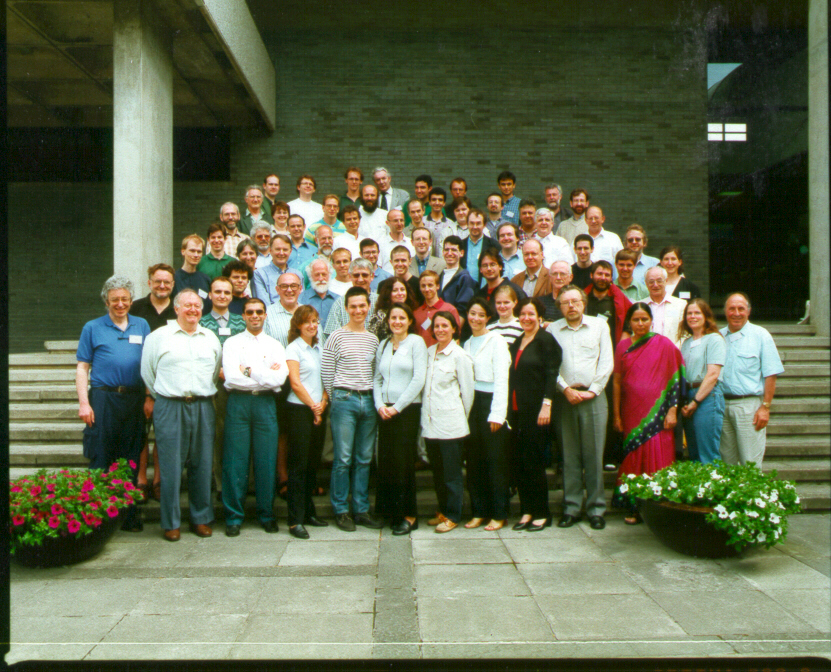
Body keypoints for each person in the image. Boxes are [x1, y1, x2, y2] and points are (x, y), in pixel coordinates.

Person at [141, 289, 222, 541]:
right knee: (170, 466)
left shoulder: (210, 337)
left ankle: (200, 518)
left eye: (197, 306)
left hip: (203, 405)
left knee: (202, 464)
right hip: (169, 405)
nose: (192, 310)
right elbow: (148, 372)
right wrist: (164, 395)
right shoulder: (158, 337)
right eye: (187, 305)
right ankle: (171, 522)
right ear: (176, 308)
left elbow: (215, 371)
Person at [76, 275, 150, 532]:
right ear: (106, 301)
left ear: (131, 300)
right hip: (103, 398)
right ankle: (96, 517)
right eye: (115, 299)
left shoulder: (142, 325)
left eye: (125, 299)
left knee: (131, 456)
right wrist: (84, 403)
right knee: (100, 454)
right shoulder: (92, 327)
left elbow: (149, 364)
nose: (120, 304)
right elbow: (82, 367)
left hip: (134, 399)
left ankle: (128, 515)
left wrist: (149, 396)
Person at [220, 298, 288, 537]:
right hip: (238, 402)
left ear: (265, 315)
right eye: (250, 312)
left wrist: (248, 370)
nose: (255, 316)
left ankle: (266, 514)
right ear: (243, 316)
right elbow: (231, 377)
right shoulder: (232, 343)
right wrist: (265, 375)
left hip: (265, 404)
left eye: (259, 311)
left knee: (266, 460)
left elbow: (279, 379)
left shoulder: (274, 344)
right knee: (235, 461)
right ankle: (233, 517)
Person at [548, 286, 613, 530]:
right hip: (565, 398)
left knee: (594, 455)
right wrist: (565, 389)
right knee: (569, 455)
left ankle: (596, 509)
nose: (571, 306)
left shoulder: (599, 326)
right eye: (566, 303)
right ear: (560, 307)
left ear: (584, 303)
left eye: (575, 301)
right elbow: (550, 366)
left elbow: (606, 361)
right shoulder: (553, 330)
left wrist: (593, 391)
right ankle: (571, 508)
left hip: (593, 397)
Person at [612, 302, 684, 524]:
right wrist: (616, 415)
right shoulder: (623, 346)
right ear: (629, 322)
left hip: (659, 414)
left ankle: (660, 509)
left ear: (651, 321)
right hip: (631, 412)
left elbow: (676, 377)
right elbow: (616, 382)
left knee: (658, 456)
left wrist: (672, 410)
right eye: (636, 319)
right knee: (634, 456)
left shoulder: (663, 344)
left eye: (645, 319)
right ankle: (634, 508)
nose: (641, 323)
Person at [321, 287, 384, 531]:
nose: (358, 310)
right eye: (353, 306)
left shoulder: (373, 339)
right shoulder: (336, 337)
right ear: (346, 308)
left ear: (368, 307)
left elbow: (375, 372)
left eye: (362, 306)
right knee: (343, 458)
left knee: (364, 458)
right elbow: (327, 372)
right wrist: (337, 398)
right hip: (344, 399)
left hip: (367, 400)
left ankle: (361, 510)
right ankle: (341, 510)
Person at [373, 303, 428, 535]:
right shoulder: (384, 344)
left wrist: (397, 407)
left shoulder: (416, 342)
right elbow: (377, 378)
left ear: (409, 321)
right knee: (386, 462)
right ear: (388, 321)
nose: (397, 322)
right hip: (384, 411)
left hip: (406, 411)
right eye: (393, 318)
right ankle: (390, 513)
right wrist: (379, 405)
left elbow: (418, 379)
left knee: (402, 463)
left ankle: (409, 515)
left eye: (401, 318)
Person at [509, 297, 561, 532]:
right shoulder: (517, 341)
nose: (526, 318)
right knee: (520, 462)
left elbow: (552, 374)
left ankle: (541, 513)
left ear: (539, 317)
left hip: (537, 410)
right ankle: (527, 510)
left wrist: (547, 404)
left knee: (534, 462)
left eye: (531, 314)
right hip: (517, 411)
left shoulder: (545, 340)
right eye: (522, 314)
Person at [421, 311, 475, 533]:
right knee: (438, 472)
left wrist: (459, 418)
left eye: (445, 325)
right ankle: (443, 511)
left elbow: (468, 393)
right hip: (430, 424)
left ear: (454, 328)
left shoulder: (459, 356)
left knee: (452, 474)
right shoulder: (428, 352)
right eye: (437, 326)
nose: (440, 330)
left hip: (451, 425)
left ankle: (453, 515)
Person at [463, 298, 511, 531]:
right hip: (471, 403)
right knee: (474, 461)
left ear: (488, 318)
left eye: (481, 315)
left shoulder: (497, 341)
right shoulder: (467, 343)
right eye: (473, 313)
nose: (476, 318)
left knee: (495, 461)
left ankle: (499, 513)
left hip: (491, 402)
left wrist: (497, 414)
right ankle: (479, 511)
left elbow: (502, 379)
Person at [719, 293, 784, 466]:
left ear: (748, 311)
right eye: (732, 308)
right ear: (725, 311)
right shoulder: (717, 337)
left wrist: (765, 407)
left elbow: (771, 374)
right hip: (722, 406)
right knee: (726, 464)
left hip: (749, 407)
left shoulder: (761, 335)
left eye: (741, 308)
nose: (736, 313)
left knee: (750, 463)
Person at [285, 305, 330, 539]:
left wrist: (323, 402)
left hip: (319, 409)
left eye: (315, 321)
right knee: (299, 465)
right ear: (298, 325)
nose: (312, 326)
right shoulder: (293, 349)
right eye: (307, 322)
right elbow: (295, 383)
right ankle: (295, 520)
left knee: (313, 463)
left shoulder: (320, 349)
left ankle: (309, 512)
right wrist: (314, 407)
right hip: (300, 411)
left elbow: (327, 379)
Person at [199, 276, 246, 498]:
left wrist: (235, 371)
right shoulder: (201, 322)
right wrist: (215, 371)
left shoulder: (241, 321)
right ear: (210, 295)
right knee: (217, 435)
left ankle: (239, 482)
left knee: (237, 437)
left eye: (227, 292)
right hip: (212, 387)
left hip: (239, 387)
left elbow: (248, 353)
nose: (222, 296)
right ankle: (219, 483)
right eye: (217, 291)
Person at [679, 299, 727, 465]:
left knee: (708, 453)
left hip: (707, 396)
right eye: (689, 313)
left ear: (706, 316)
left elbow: (713, 374)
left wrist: (696, 401)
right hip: (689, 395)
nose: (692, 316)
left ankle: (714, 482)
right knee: (694, 453)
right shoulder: (686, 343)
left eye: (697, 313)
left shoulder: (714, 339)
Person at [324, 258, 378, 338]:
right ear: (350, 276)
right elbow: (331, 335)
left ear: (372, 276)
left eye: (364, 275)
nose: (360, 279)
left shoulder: (380, 301)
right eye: (356, 275)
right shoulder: (340, 303)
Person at [252, 233, 304, 306]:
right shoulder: (259, 274)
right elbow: (263, 306)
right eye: (278, 249)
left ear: (290, 251)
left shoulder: (297, 275)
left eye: (285, 250)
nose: (281, 253)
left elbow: (301, 302)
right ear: (270, 250)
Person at [414, 271, 460, 347]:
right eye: (423, 286)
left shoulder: (450, 310)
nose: (426, 289)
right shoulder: (416, 313)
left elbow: (456, 339)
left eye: (430, 285)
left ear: (438, 286)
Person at [644, 266, 687, 347]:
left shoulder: (681, 305)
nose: (655, 285)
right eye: (651, 281)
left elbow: (685, 334)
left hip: (673, 352)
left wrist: (672, 351)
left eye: (659, 281)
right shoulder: (640, 305)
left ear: (666, 281)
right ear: (646, 283)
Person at [368, 276, 418, 341]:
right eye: (395, 290)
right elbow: (371, 339)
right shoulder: (379, 316)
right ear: (388, 293)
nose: (400, 293)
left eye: (402, 289)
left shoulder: (412, 312)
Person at [130, 263, 176, 332]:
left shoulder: (179, 310)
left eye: (166, 282)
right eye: (158, 281)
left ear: (172, 284)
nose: (162, 286)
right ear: (149, 283)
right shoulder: (134, 308)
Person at [438, 235, 477, 316]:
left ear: (461, 253)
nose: (449, 253)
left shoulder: (465, 278)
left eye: (454, 250)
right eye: (446, 250)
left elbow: (463, 310)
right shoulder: (439, 276)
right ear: (442, 252)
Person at [173, 234, 212, 311]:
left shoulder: (205, 279)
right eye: (192, 251)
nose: (196, 255)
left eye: (199, 251)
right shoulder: (174, 278)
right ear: (183, 251)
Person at [299, 259, 339, 329]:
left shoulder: (338, 300)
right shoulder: (301, 299)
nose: (321, 279)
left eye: (324, 274)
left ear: (329, 275)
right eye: (317, 275)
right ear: (310, 276)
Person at [464, 208, 499, 284]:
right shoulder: (461, 245)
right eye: (472, 223)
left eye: (478, 223)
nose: (475, 227)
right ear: (467, 224)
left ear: (484, 224)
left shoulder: (493, 245)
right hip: (464, 288)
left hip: (485, 287)